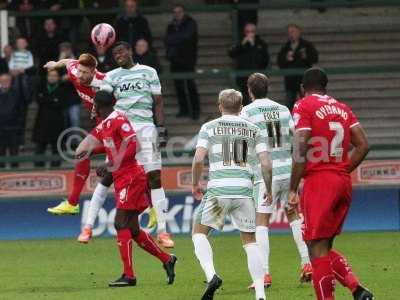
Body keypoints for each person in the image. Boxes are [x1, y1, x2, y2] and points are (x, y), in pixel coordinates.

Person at [289, 67, 373, 300]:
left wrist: (292, 188)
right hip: (341, 181)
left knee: (315, 249)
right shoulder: (342, 108)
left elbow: (301, 145)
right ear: (326, 86)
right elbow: (363, 145)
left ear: (303, 88)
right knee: (323, 247)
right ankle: (357, 289)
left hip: (319, 182)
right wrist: (340, 171)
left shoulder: (303, 105)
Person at [78, 90, 177, 287]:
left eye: (94, 105)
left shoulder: (118, 119)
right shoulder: (106, 124)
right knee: (131, 228)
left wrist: (108, 164)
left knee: (120, 223)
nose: (92, 108)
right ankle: (167, 259)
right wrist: (91, 151)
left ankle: (129, 275)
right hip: (122, 178)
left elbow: (134, 145)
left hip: (131, 177)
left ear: (99, 106)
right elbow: (112, 146)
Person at [83, 41, 174, 248]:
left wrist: (160, 128)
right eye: (115, 54)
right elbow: (102, 97)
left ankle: (163, 231)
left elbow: (158, 101)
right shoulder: (112, 76)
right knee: (108, 176)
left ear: (130, 51)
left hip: (146, 129)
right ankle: (88, 227)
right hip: (121, 130)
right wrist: (94, 106)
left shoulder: (149, 72)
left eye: (121, 51)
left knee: (155, 177)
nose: (118, 55)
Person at [191, 89, 271, 300]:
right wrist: (269, 190)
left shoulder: (209, 127)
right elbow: (265, 164)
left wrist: (195, 184)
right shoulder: (254, 129)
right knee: (250, 242)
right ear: (241, 107)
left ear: (220, 106)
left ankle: (212, 276)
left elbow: (198, 159)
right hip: (245, 192)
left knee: (199, 233)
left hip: (218, 191)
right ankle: (261, 295)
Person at [240, 73, 312, 289]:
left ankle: (264, 274)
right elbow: (297, 134)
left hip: (266, 172)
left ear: (250, 90)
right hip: (288, 170)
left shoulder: (247, 111)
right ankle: (307, 263)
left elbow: (243, 142)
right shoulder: (283, 109)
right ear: (267, 88)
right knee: (293, 215)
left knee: (261, 222)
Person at [44, 54, 111, 220]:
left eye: (84, 73)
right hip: (102, 126)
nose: (79, 75)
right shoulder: (75, 71)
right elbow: (68, 62)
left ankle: (151, 206)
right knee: (81, 152)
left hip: (115, 124)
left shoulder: (105, 82)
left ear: (93, 71)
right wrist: (55, 63)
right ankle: (72, 203)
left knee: (129, 162)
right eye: (79, 71)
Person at [165, 4, 200, 120]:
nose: (177, 14)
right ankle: (184, 110)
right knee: (178, 87)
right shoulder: (171, 25)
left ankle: (195, 111)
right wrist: (177, 39)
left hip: (188, 60)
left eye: (179, 11)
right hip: (175, 60)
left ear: (183, 12)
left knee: (190, 86)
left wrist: (174, 39)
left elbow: (187, 36)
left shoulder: (190, 23)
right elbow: (167, 40)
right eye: (175, 12)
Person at [277, 24, 319, 111]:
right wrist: (286, 59)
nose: (291, 34)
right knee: (289, 103)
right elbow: (280, 63)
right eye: (289, 32)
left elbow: (314, 58)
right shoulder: (285, 47)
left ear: (298, 32)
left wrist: (306, 56)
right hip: (290, 81)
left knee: (307, 103)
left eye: (293, 32)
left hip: (304, 80)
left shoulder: (306, 45)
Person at [32, 69, 67, 167]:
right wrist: (53, 100)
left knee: (56, 147)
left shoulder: (62, 89)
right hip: (41, 122)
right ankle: (38, 168)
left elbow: (60, 103)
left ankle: (55, 167)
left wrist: (46, 99)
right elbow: (39, 100)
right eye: (50, 75)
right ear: (47, 77)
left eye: (54, 75)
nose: (52, 77)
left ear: (58, 78)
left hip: (57, 123)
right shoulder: (41, 88)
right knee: (40, 147)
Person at [228, 23, 270, 105]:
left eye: (252, 31)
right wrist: (242, 45)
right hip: (243, 78)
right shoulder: (240, 42)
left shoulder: (261, 43)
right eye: (247, 31)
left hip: (257, 79)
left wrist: (253, 45)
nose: (250, 34)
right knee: (244, 101)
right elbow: (231, 54)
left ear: (256, 32)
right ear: (244, 32)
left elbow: (265, 60)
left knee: (258, 100)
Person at [0, 73, 24, 168]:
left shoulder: (16, 94)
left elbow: (21, 111)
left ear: (10, 82)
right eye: (3, 81)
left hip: (14, 129)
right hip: (0, 130)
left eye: (7, 80)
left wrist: (18, 125)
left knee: (14, 155)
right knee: (1, 156)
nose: (5, 82)